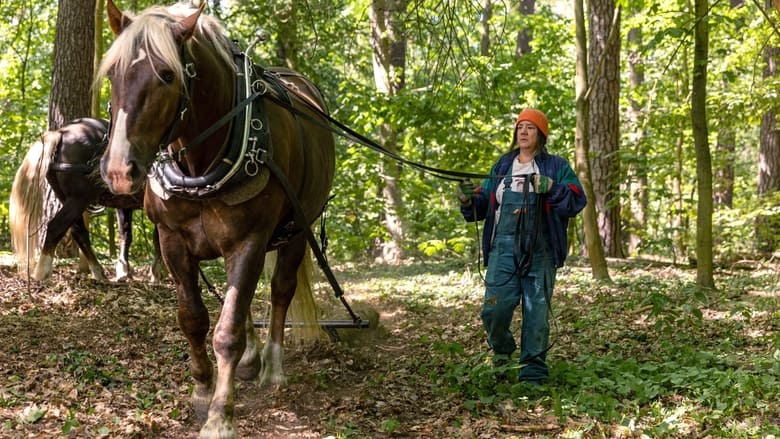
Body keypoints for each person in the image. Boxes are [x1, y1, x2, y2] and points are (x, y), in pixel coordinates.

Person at [457, 108, 586, 385]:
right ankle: (502, 355)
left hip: (541, 250)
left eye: (530, 127)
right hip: (502, 250)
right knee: (493, 309)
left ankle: (533, 374)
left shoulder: (555, 166)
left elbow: (576, 200)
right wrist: (468, 200)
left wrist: (552, 187)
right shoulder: (503, 166)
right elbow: (484, 203)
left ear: (541, 134)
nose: (524, 132)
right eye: (520, 127)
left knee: (537, 315)